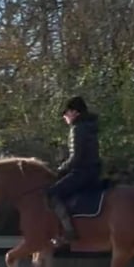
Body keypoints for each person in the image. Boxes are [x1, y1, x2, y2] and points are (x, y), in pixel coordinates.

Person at [46, 96, 102, 246]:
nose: (64, 117)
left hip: (82, 172)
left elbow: (76, 157)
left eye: (66, 113)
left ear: (74, 112)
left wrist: (59, 171)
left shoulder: (77, 129)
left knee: (52, 193)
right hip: (93, 170)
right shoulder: (89, 126)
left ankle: (68, 232)